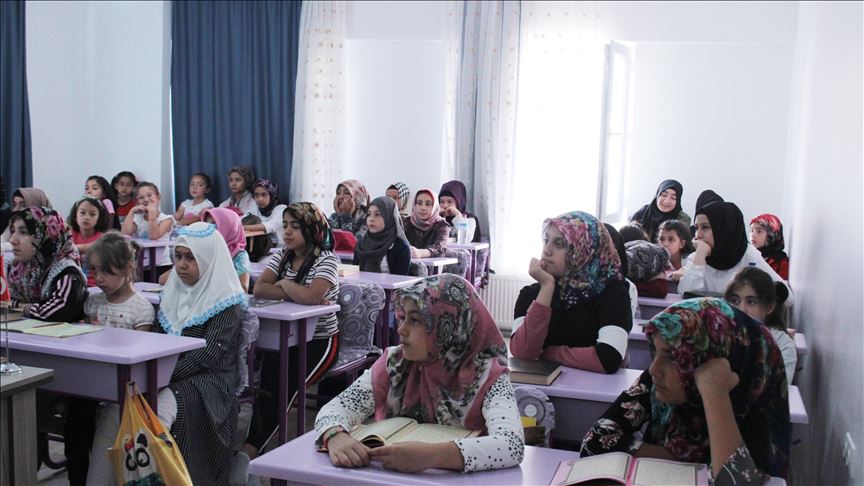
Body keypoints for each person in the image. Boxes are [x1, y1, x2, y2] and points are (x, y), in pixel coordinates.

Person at [315, 274, 524, 473]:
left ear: (449, 327)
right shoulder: (395, 363)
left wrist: (433, 456)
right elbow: (337, 407)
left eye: (415, 320)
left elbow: (511, 444)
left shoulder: (488, 377)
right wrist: (335, 436)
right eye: (402, 317)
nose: (401, 329)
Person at [89, 222, 245, 485]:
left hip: (208, 382)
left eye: (190, 258)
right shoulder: (172, 292)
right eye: (178, 257)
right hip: (165, 375)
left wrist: (156, 378)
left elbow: (206, 357)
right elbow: (157, 341)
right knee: (116, 408)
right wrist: (149, 377)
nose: (181, 265)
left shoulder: (227, 302)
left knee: (155, 413)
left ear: (209, 259)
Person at [580, 298, 790, 484]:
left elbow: (739, 482)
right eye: (656, 352)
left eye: (673, 356)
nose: (653, 369)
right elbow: (595, 441)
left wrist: (714, 393)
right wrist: (685, 461)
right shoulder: (658, 378)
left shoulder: (753, 405)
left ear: (711, 360)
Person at [246, 202, 341, 454]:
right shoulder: (281, 256)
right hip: (284, 338)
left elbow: (311, 296)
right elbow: (260, 289)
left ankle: (251, 448)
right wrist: (297, 291)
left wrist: (284, 284)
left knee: (283, 386)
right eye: (285, 225)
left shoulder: (327, 260)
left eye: (295, 227)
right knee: (268, 387)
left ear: (312, 230)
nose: (287, 232)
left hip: (320, 341)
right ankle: (253, 444)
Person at [6, 206, 91, 484]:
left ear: (45, 236)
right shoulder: (19, 269)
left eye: (23, 232)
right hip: (31, 354)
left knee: (78, 419)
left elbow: (57, 311)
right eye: (13, 231)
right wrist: (20, 306)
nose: (13, 240)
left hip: (73, 366)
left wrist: (20, 306)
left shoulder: (66, 270)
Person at [510, 211, 632, 373]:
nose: (546, 250)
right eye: (546, 240)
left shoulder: (614, 294)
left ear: (583, 250)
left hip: (590, 388)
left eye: (559, 244)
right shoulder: (530, 295)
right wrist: (547, 288)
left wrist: (550, 354)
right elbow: (523, 355)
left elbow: (608, 358)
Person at [679, 201, 790, 297]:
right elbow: (686, 294)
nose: (698, 235)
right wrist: (699, 256)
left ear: (724, 229)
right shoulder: (698, 256)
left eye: (705, 227)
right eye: (696, 228)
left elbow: (787, 297)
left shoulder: (749, 256)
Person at [725, 267, 796, 383]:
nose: (741, 309)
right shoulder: (720, 335)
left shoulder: (782, 343)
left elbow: (779, 388)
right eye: (734, 301)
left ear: (769, 307)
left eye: (751, 302)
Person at [120, 181, 174, 272]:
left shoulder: (166, 219)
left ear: (158, 197)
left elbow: (153, 236)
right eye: (141, 197)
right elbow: (125, 233)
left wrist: (152, 213)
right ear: (137, 201)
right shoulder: (138, 218)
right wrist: (131, 212)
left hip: (161, 264)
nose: (146, 199)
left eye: (149, 195)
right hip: (141, 263)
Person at [354, 196, 411, 275]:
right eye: (369, 214)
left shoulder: (401, 247)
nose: (371, 219)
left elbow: (400, 280)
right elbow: (353, 274)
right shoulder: (361, 245)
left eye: (377, 214)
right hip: (362, 283)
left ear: (389, 217)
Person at [67, 196, 111, 287]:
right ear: (75, 216)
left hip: (97, 285)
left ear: (99, 219)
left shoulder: (103, 238)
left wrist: (76, 248)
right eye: (82, 213)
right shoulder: (69, 235)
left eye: (92, 214)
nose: (86, 217)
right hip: (73, 283)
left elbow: (100, 245)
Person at [402, 188, 449, 259]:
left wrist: (420, 253)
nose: (423, 208)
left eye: (428, 204)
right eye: (419, 203)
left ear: (435, 207)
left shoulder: (442, 225)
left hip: (432, 264)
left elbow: (440, 248)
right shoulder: (405, 222)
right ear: (414, 205)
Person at [243, 178, 287, 247]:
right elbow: (242, 219)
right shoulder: (255, 206)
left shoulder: (281, 209)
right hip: (259, 245)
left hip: (277, 247)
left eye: (264, 195)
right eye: (256, 195)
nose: (260, 199)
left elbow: (269, 226)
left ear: (271, 195)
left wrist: (242, 228)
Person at [749, 214, 789, 280]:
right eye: (752, 230)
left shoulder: (782, 264)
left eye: (759, 231)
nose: (753, 235)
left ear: (772, 234)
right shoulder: (748, 256)